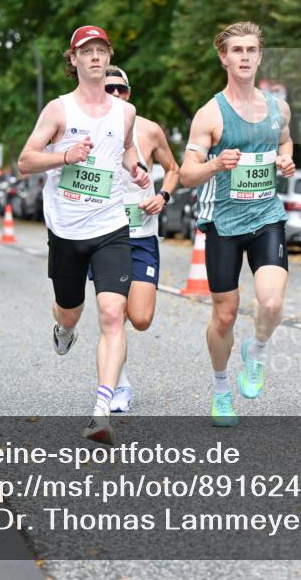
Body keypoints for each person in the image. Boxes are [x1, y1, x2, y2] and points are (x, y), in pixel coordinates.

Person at [17, 25, 149, 445]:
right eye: (85, 51)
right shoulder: (59, 110)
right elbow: (25, 161)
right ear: (72, 60)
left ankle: (101, 412)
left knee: (113, 315)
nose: (94, 57)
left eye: (100, 50)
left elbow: (126, 146)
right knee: (69, 310)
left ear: (108, 57)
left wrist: (134, 166)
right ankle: (63, 327)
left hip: (111, 226)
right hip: (67, 230)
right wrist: (64, 156)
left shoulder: (124, 112)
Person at [179, 21, 296, 427]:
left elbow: (284, 140)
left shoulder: (277, 108)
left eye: (251, 50)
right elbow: (186, 173)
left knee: (272, 302)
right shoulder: (210, 114)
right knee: (225, 316)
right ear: (223, 57)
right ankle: (221, 388)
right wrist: (215, 163)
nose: (245, 57)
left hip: (266, 217)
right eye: (237, 51)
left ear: (260, 55)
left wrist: (285, 159)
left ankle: (257, 352)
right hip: (223, 223)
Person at [101, 65, 180, 413]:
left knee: (141, 318)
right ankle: (118, 384)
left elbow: (174, 169)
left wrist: (163, 197)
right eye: (108, 89)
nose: (116, 95)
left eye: (121, 89)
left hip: (143, 235)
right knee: (112, 314)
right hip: (104, 236)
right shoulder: (87, 129)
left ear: (129, 93)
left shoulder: (148, 130)